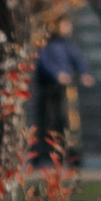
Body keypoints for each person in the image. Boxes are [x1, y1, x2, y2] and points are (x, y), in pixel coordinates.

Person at [31, 24, 88, 166]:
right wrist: (56, 75)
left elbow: (77, 59)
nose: (68, 28)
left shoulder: (68, 44)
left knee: (69, 121)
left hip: (66, 89)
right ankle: (44, 154)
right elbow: (43, 63)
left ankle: (70, 154)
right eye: (64, 25)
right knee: (48, 121)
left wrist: (83, 73)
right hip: (48, 88)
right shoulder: (47, 44)